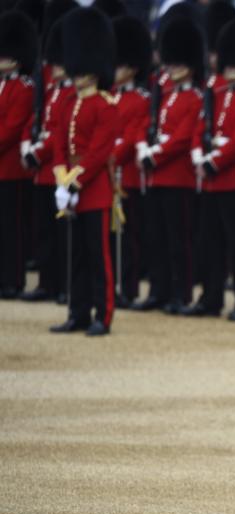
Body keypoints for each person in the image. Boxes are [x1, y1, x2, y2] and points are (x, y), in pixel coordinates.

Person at [48, 6, 119, 336]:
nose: (77, 74)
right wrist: (61, 180)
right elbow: (58, 145)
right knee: (75, 256)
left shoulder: (105, 105)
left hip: (95, 189)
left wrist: (74, 182)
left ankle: (102, 316)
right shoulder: (66, 103)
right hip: (71, 186)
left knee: (98, 257)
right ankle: (77, 312)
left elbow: (98, 151)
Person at [189, 19, 235, 321]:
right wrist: (199, 156)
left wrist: (214, 161)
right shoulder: (217, 94)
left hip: (230, 181)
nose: (228, 69)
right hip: (210, 180)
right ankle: (211, 296)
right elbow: (201, 127)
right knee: (209, 242)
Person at [134, 17, 204, 315]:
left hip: (178, 176)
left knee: (178, 240)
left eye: (178, 65)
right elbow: (146, 123)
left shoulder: (194, 97)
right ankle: (159, 290)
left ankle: (181, 292)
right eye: (170, 64)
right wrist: (142, 146)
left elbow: (183, 137)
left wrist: (155, 153)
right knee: (155, 236)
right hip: (154, 175)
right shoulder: (164, 94)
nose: (172, 69)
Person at [20, 0, 77, 304]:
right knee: (43, 230)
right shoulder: (52, 90)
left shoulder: (70, 93)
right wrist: (27, 144)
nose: (54, 69)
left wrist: (37, 150)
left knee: (61, 233)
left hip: (58, 169)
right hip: (42, 172)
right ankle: (46, 281)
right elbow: (36, 119)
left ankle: (63, 284)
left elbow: (59, 132)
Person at [109, 15, 152, 311]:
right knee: (111, 237)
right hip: (107, 177)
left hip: (127, 176)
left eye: (120, 65)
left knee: (131, 236)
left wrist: (108, 155)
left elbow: (133, 135)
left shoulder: (140, 99)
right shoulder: (108, 97)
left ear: (133, 69)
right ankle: (114, 285)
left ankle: (131, 287)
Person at [0, 11, 38, 300]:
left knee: (12, 228)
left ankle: (14, 280)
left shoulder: (23, 88)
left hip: (11, 168)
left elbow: (12, 128)